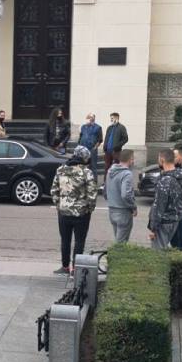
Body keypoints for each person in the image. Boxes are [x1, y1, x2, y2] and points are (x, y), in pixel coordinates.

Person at [50, 146, 98, 275]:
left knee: (65, 240)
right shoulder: (86, 172)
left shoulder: (61, 169)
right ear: (85, 158)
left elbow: (54, 190)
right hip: (81, 213)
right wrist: (90, 208)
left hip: (64, 212)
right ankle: (75, 269)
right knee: (79, 241)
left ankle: (64, 267)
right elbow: (92, 193)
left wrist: (59, 205)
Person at [147, 149, 182, 250]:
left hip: (163, 222)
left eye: (158, 158)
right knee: (163, 249)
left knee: (157, 254)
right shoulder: (180, 176)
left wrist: (153, 228)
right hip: (174, 220)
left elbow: (159, 206)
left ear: (162, 159)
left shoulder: (165, 181)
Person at [105, 150, 137, 243]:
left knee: (118, 239)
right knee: (121, 244)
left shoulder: (110, 171)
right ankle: (115, 257)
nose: (133, 161)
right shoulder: (127, 174)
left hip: (112, 210)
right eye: (133, 159)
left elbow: (105, 191)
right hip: (123, 212)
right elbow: (126, 194)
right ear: (130, 159)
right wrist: (133, 207)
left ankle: (115, 256)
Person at [103, 113, 129, 184]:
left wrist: (118, 146)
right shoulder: (109, 128)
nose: (111, 119)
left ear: (116, 118)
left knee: (116, 167)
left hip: (116, 151)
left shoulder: (121, 127)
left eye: (112, 118)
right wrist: (104, 146)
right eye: (110, 118)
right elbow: (106, 138)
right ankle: (105, 182)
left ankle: (116, 182)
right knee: (107, 167)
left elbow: (125, 138)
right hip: (108, 151)